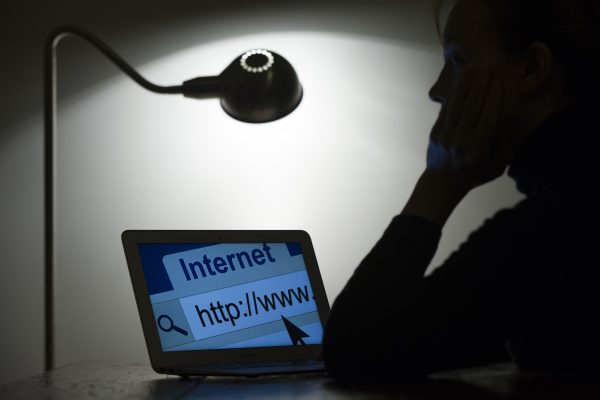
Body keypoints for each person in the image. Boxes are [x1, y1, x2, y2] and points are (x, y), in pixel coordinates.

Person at [322, 0, 600, 379]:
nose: (438, 90)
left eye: (457, 60)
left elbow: (353, 348)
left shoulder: (555, 226)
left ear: (533, 68)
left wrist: (438, 184)